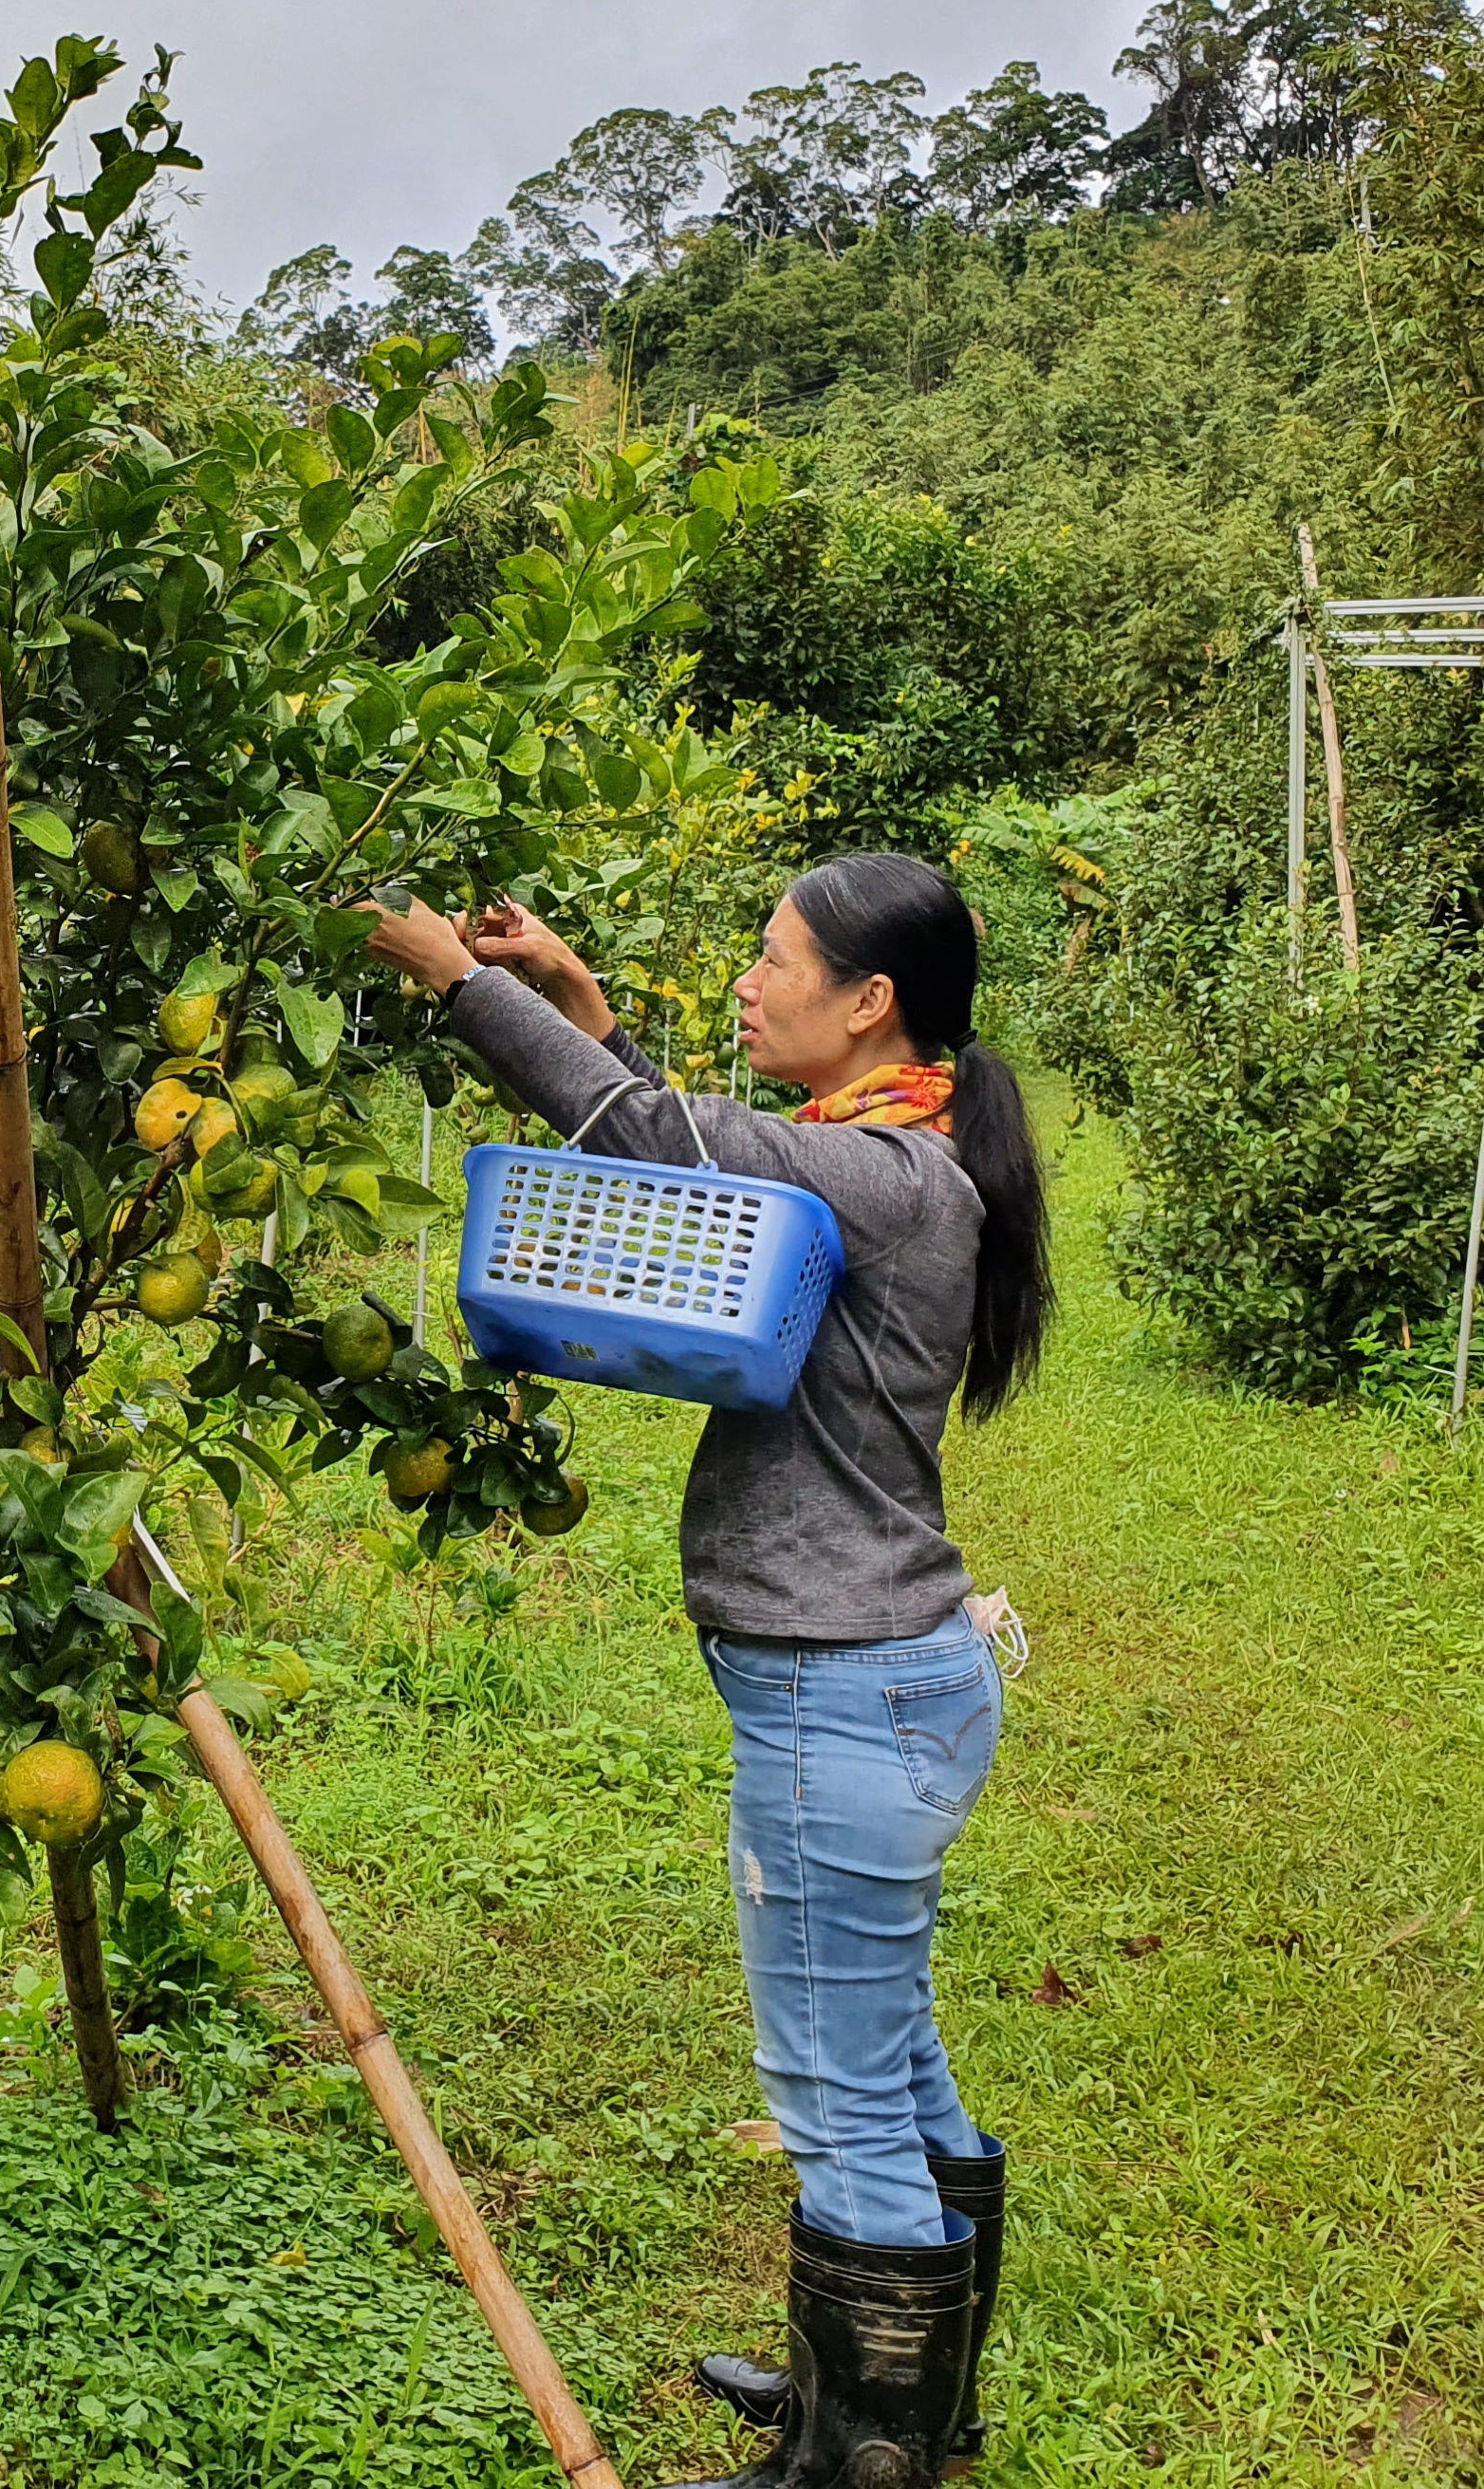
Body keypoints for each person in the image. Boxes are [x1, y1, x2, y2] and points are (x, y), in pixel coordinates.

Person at [362, 855, 1049, 2489]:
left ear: (870, 1001)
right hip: (888, 1682)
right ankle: (895, 2410)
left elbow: (657, 1143)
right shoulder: (894, 1144)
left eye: (774, 958)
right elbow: (692, 1168)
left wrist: (461, 981)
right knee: (894, 2059)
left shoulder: (889, 1178)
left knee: (836, 2094)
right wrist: (580, 1006)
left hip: (840, 1696)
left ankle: (855, 2466)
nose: (752, 981)